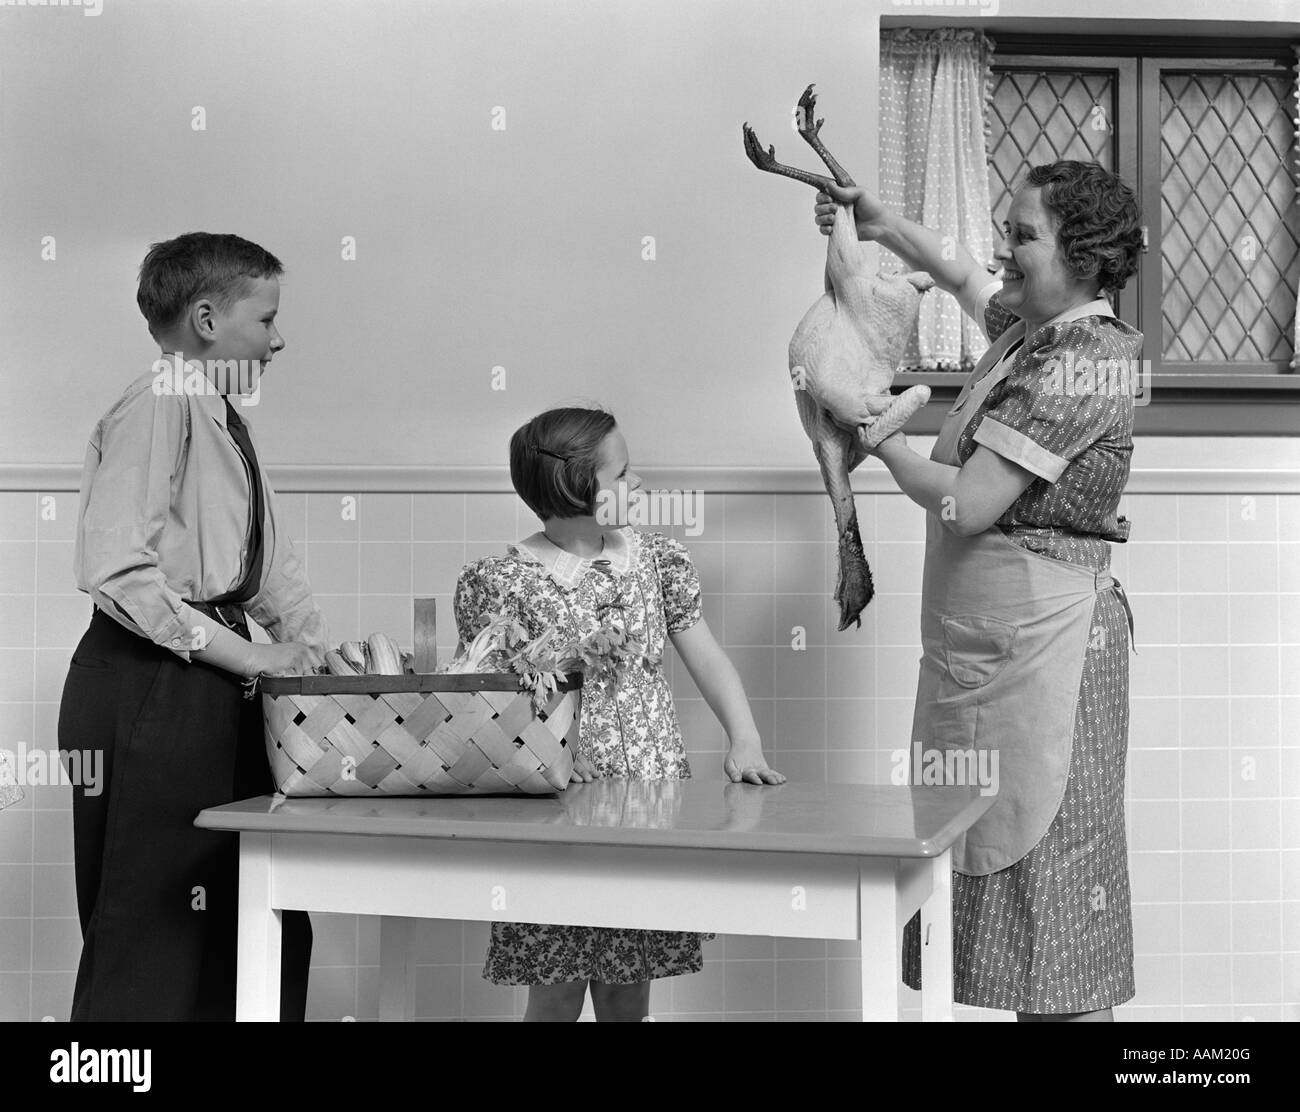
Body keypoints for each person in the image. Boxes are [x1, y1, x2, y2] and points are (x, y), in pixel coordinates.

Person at [815, 160, 1142, 1021]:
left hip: (1053, 661)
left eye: (1024, 236)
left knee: (1057, 909)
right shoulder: (1033, 333)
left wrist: (877, 434)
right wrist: (880, 222)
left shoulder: (1087, 362)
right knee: (1014, 902)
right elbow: (962, 277)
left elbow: (971, 504)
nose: (1005, 252)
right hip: (997, 655)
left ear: (1084, 254)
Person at [59, 232, 326, 1021]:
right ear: (207, 318)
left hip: (210, 679)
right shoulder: (160, 404)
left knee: (257, 909)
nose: (279, 340)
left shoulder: (219, 417)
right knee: (155, 924)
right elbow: (117, 571)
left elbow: (262, 565)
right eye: (266, 319)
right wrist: (253, 656)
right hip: (152, 683)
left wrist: (311, 652)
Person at [453, 406, 784, 1021]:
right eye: (625, 473)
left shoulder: (655, 561)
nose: (639, 485)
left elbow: (707, 658)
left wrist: (746, 739)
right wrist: (545, 752)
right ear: (579, 487)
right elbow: (487, 699)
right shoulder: (503, 581)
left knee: (627, 990)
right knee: (554, 992)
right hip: (558, 816)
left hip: (652, 806)